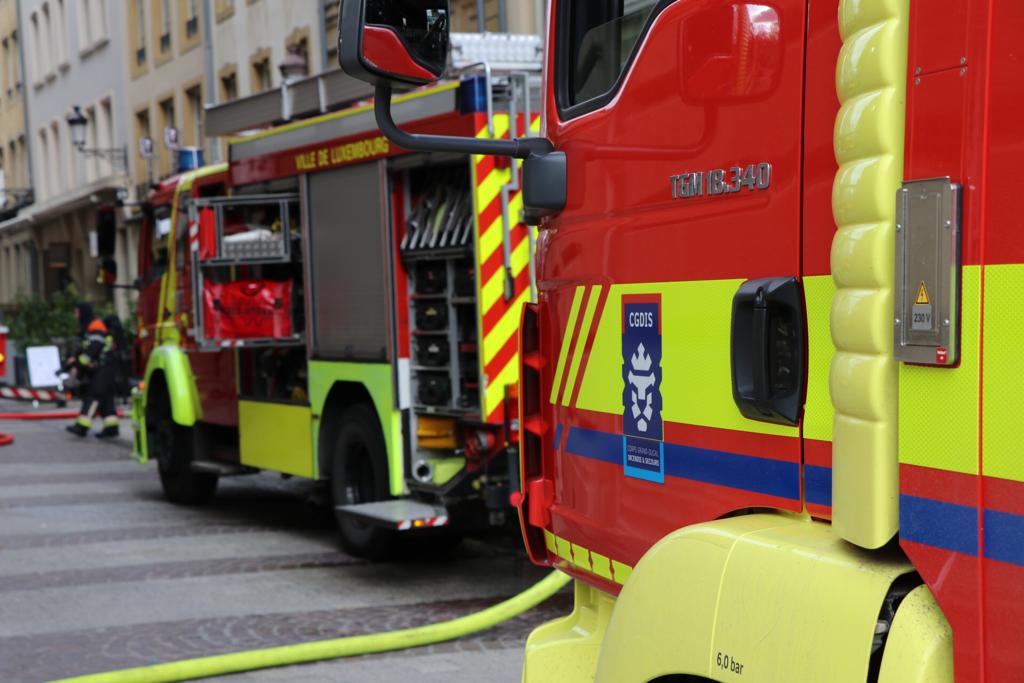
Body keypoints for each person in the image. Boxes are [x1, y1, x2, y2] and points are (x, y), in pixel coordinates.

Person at [65, 303, 119, 438]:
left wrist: (79, 365)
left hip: (103, 367)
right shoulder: (89, 326)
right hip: (105, 367)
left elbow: (94, 346)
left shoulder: (95, 325)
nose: (75, 315)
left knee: (93, 395)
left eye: (77, 312)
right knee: (106, 398)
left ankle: (82, 426)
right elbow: (85, 347)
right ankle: (111, 427)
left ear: (83, 312)